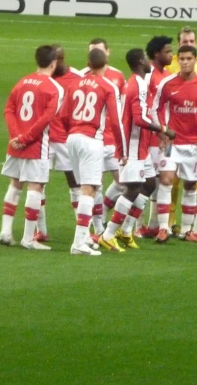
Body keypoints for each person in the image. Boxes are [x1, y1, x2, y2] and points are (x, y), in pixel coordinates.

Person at [98, 49, 175, 252]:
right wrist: (163, 130)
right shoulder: (138, 84)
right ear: (141, 61)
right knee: (132, 188)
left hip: (140, 147)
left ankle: (126, 230)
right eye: (146, 58)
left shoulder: (133, 82)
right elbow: (139, 119)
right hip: (132, 146)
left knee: (149, 184)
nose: (150, 61)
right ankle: (107, 235)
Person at [0, 45, 64, 250]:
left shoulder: (22, 82)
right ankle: (28, 239)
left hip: (15, 144)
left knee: (15, 185)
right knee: (35, 187)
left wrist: (15, 135)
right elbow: (46, 119)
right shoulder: (55, 88)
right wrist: (26, 138)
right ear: (54, 63)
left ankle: (5, 232)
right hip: (36, 145)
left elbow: (8, 110)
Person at [151, 45, 197, 243]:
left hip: (194, 144)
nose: (185, 62)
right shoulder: (168, 83)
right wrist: (162, 131)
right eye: (181, 58)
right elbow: (156, 108)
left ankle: (187, 230)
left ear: (195, 60)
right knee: (165, 180)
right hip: (173, 141)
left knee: (190, 185)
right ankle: (163, 228)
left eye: (189, 58)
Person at [63, 48, 127, 256]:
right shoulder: (108, 86)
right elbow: (116, 122)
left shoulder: (75, 83)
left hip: (72, 138)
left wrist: (72, 132)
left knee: (87, 188)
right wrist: (122, 148)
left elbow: (63, 114)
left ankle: (88, 237)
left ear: (88, 64)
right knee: (89, 190)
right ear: (106, 63)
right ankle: (79, 242)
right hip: (92, 139)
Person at [37, 46, 84, 244]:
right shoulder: (43, 78)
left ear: (61, 60)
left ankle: (81, 232)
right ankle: (41, 230)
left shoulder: (77, 78)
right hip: (45, 139)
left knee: (75, 183)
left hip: (67, 140)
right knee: (37, 182)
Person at [81, 39, 126, 235]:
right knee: (95, 185)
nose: (95, 55)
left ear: (108, 52)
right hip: (95, 139)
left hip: (112, 139)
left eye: (99, 51)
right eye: (92, 52)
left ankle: (107, 210)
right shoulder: (81, 77)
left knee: (124, 183)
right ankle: (98, 228)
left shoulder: (117, 76)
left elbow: (122, 109)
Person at [165, 27, 197, 228]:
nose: (188, 44)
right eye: (185, 41)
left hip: (194, 136)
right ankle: (169, 221)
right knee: (169, 181)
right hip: (174, 134)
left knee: (192, 182)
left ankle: (189, 225)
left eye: (191, 41)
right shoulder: (170, 67)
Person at [139, 35, 174, 238]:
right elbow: (148, 108)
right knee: (144, 181)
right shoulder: (148, 74)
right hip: (151, 137)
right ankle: (136, 225)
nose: (171, 54)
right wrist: (159, 130)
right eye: (167, 51)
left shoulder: (167, 75)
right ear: (156, 54)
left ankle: (156, 226)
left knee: (164, 180)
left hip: (165, 136)